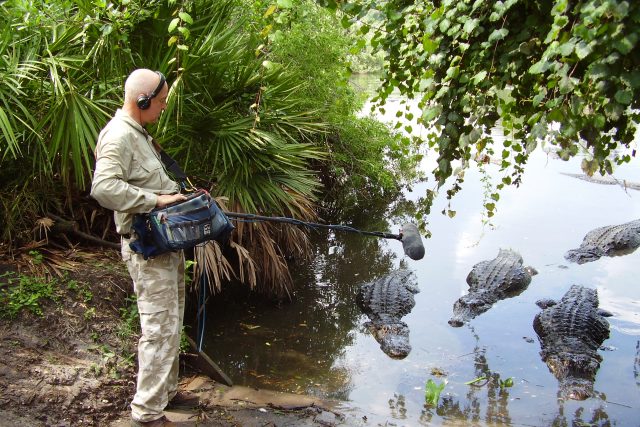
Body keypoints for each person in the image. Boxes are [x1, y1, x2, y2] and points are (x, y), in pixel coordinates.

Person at [91, 69, 197, 427]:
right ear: (142, 101)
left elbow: (158, 185)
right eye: (162, 101)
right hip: (146, 250)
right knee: (158, 329)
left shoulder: (139, 135)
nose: (164, 107)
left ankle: (165, 393)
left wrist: (184, 199)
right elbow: (104, 188)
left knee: (172, 321)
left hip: (165, 244)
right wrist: (157, 200)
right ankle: (147, 413)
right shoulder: (119, 136)